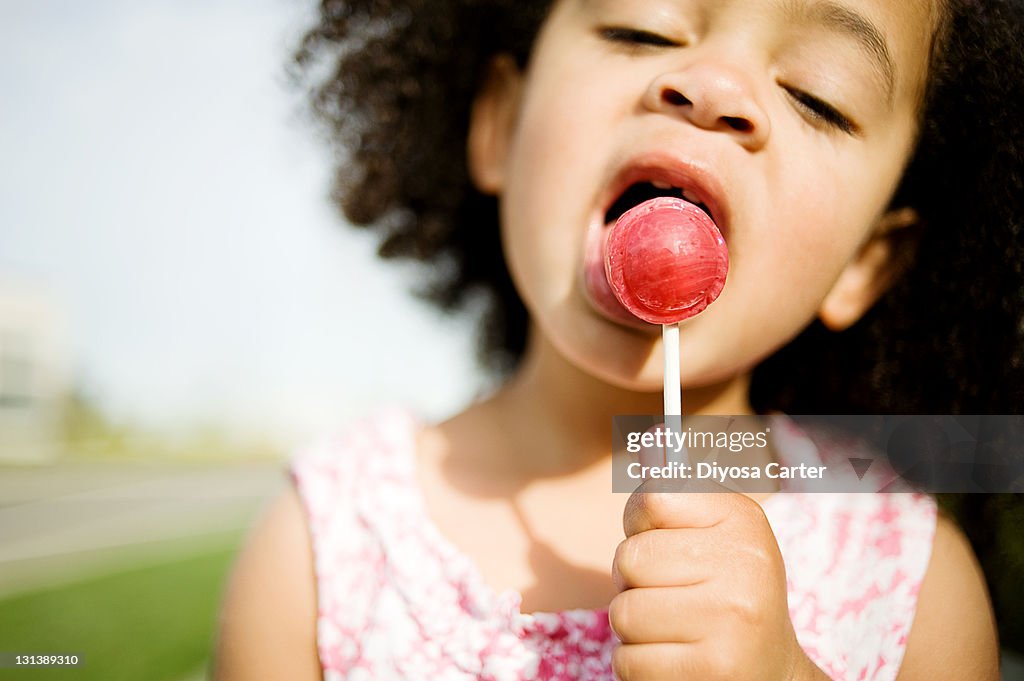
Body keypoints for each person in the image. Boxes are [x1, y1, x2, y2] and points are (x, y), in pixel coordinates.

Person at [214, 0, 1024, 678]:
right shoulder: (324, 550)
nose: (712, 88)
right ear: (500, 121)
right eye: (643, 28)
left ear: (867, 262)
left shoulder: (913, 583)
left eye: (818, 94)